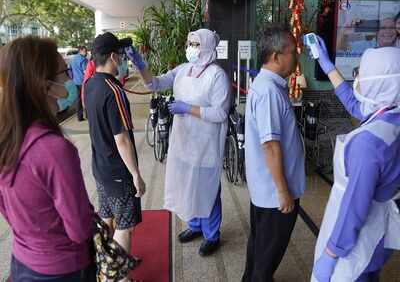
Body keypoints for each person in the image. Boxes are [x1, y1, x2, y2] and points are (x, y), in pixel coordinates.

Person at [126, 28, 231, 256]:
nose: (190, 48)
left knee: (207, 190)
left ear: (206, 46)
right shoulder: (183, 70)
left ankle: (212, 235)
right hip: (184, 142)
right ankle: (194, 226)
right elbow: (155, 84)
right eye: (189, 43)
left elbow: (220, 113)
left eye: (195, 44)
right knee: (187, 185)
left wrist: (187, 109)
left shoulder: (216, 75)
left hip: (206, 146)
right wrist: (141, 66)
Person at [0, 36, 94, 281]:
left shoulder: (6, 138)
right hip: (63, 269)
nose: (71, 80)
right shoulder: (54, 150)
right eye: (64, 72)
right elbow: (79, 229)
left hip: (22, 261)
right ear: (44, 85)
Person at [308, 36, 400, 282]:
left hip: (357, 242)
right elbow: (353, 102)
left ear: (378, 84)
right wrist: (325, 64)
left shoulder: (368, 144)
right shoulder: (390, 114)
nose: (357, 78)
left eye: (362, 73)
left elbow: (354, 208)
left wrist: (331, 253)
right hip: (382, 232)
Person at [241, 24, 306, 282]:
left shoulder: (269, 86)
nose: (297, 56)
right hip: (275, 196)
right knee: (267, 253)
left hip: (267, 192)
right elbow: (270, 145)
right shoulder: (268, 91)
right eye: (293, 51)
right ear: (277, 56)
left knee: (260, 247)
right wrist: (283, 191)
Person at [84, 32, 145, 282]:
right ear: (112, 56)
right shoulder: (114, 91)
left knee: (107, 218)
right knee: (125, 226)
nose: (121, 57)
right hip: (118, 172)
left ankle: (103, 267)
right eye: (119, 53)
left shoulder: (90, 85)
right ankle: (117, 278)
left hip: (100, 167)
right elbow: (122, 138)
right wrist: (136, 175)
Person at [71, 45, 88, 121]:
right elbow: (85, 71)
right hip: (83, 81)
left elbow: (70, 69)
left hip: (75, 81)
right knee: (86, 98)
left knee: (78, 99)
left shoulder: (73, 59)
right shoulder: (83, 59)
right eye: (85, 51)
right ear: (80, 51)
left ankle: (79, 117)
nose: (86, 52)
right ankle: (88, 115)